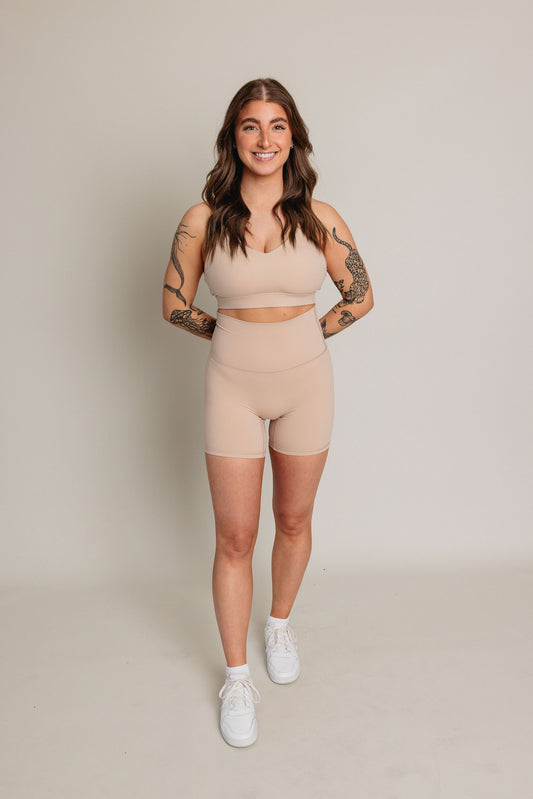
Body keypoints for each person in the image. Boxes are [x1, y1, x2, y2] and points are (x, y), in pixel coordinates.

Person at [162, 77, 374, 747]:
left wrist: (308, 335)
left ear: (293, 138)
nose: (264, 138)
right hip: (231, 385)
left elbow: (359, 295)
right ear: (233, 138)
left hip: (307, 383)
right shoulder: (202, 219)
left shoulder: (320, 217)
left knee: (293, 518)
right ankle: (235, 678)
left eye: (277, 125)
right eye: (250, 125)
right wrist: (229, 335)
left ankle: (278, 624)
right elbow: (173, 304)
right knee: (234, 537)